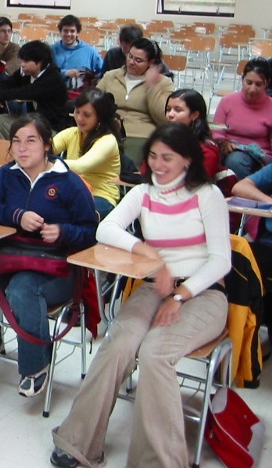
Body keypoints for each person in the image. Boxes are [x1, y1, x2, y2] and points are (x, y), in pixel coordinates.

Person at [51, 123, 230, 468]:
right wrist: (149, 253)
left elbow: (221, 260)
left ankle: (161, 461)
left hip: (203, 292)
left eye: (168, 158)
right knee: (119, 343)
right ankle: (80, 442)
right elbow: (106, 228)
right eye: (153, 156)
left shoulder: (208, 196)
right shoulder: (144, 192)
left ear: (188, 161)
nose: (159, 165)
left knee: (155, 353)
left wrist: (180, 296)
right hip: (155, 286)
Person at [0, 113, 97, 397]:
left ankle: (36, 366)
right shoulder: (6, 174)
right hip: (9, 255)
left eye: (31, 141)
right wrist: (17, 216)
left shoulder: (68, 182)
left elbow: (90, 231)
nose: (22, 148)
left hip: (54, 266)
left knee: (23, 286)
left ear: (47, 144)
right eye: (16, 141)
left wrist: (63, 232)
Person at [96, 37, 174, 163]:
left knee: (129, 163)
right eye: (130, 56)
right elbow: (93, 101)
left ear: (151, 62)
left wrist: (151, 86)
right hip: (109, 130)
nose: (131, 62)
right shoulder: (111, 76)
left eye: (138, 60)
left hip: (140, 135)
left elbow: (164, 118)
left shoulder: (163, 83)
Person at [52, 88, 121, 218]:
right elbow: (45, 148)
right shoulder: (71, 133)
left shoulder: (108, 140)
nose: (79, 118)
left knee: (65, 213)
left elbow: (81, 166)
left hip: (101, 196)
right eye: (77, 112)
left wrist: (46, 161)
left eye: (87, 115)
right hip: (73, 192)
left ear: (100, 116)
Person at [0, 40, 69, 139]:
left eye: (26, 61)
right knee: (0, 121)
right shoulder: (25, 72)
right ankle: (11, 152)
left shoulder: (53, 78)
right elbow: (5, 84)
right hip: (32, 122)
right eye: (22, 60)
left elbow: (23, 93)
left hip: (51, 128)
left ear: (40, 62)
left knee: (25, 131)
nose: (22, 64)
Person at [212, 57, 272, 180]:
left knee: (236, 160)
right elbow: (216, 130)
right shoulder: (227, 101)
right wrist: (223, 142)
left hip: (260, 154)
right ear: (242, 80)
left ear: (267, 84)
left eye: (258, 84)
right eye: (249, 82)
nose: (252, 89)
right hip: (228, 149)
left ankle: (246, 192)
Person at [165, 89, 221, 178]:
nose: (170, 114)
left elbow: (198, 181)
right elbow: (146, 170)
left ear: (194, 115)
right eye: (168, 109)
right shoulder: (162, 140)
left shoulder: (207, 150)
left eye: (177, 110)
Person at [50, 14, 103, 83]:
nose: (68, 34)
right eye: (65, 31)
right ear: (60, 32)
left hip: (81, 92)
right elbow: (44, 74)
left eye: (72, 31)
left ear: (77, 33)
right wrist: (65, 73)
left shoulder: (90, 52)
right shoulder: (51, 50)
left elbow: (102, 72)